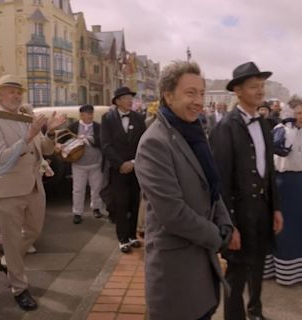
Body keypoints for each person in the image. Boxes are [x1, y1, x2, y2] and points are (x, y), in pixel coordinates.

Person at [135, 61, 233, 320]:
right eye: (190, 93)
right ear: (168, 95)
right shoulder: (154, 143)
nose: (199, 101)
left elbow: (211, 185)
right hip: (176, 270)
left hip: (201, 263)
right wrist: (217, 236)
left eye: (201, 93)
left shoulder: (194, 133)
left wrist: (225, 222)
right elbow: (173, 213)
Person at [0, 74, 66, 311]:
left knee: (34, 231)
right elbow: (1, 156)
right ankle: (19, 288)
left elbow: (46, 149)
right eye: (10, 91)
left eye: (18, 91)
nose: (16, 95)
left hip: (33, 185)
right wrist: (28, 134)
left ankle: (7, 261)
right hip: (7, 189)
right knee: (11, 240)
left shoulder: (26, 115)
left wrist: (49, 132)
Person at [210, 61, 283, 320]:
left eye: (262, 86)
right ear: (237, 91)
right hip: (239, 214)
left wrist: (275, 207)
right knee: (237, 273)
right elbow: (219, 181)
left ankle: (256, 311)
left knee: (259, 265)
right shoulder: (225, 127)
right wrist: (229, 225)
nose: (260, 91)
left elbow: (269, 171)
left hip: (262, 210)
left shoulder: (264, 124)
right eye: (254, 86)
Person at [266, 96, 302, 286]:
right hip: (281, 182)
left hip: (299, 181)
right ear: (289, 113)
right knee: (282, 225)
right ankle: (280, 268)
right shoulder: (280, 130)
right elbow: (273, 150)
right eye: (298, 113)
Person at [101, 86, 146, 253]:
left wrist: (133, 162)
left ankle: (133, 236)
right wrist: (121, 164)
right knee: (120, 204)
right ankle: (122, 239)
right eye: (126, 98)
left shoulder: (139, 118)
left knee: (135, 202)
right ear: (118, 101)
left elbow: (144, 143)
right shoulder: (108, 118)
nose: (130, 101)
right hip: (117, 169)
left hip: (135, 168)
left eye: (130, 98)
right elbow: (106, 145)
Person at [68, 104, 103, 224]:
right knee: (78, 189)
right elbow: (64, 140)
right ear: (81, 115)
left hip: (96, 163)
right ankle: (77, 212)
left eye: (91, 113)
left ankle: (96, 208)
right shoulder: (73, 126)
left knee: (96, 188)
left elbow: (102, 140)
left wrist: (88, 139)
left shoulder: (98, 126)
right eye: (87, 114)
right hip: (78, 164)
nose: (89, 116)